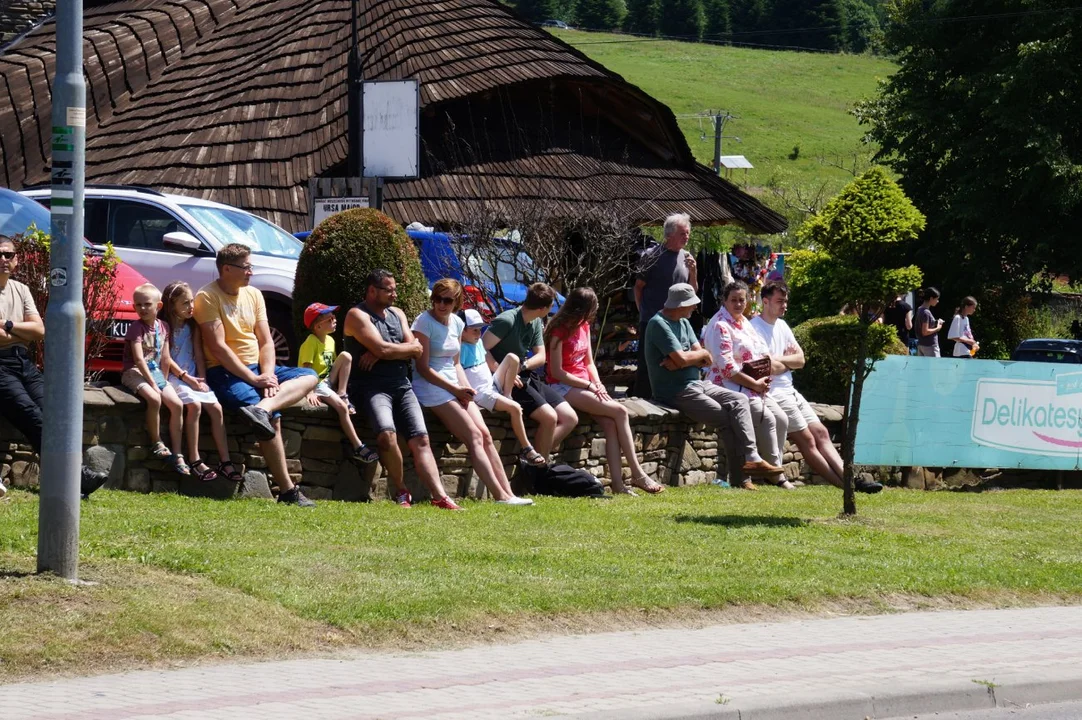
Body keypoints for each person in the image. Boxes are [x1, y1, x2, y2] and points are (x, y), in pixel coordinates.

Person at [194, 243, 318, 507]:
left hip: (259, 369)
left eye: (250, 266)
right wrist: (254, 380)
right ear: (227, 269)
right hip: (225, 372)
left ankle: (263, 407)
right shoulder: (207, 297)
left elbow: (266, 341)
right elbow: (218, 347)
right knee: (273, 420)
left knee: (309, 376)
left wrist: (268, 374)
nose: (251, 271)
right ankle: (287, 491)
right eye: (246, 267)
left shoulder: (254, 295)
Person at [343, 269, 460, 510]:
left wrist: (381, 351)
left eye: (395, 289)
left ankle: (440, 496)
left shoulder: (397, 313)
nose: (395, 294)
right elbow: (389, 349)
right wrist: (384, 351)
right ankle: (401, 490)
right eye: (389, 290)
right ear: (373, 291)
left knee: (421, 439)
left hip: (402, 385)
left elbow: (416, 348)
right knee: (387, 435)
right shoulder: (356, 315)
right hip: (371, 387)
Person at [0, 235, 107, 499]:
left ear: (17, 260)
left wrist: (10, 326)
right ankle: (74, 478)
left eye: (8, 255)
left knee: (55, 413)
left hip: (23, 362)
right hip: (1, 366)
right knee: (32, 415)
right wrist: (21, 332)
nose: (3, 260)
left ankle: (66, 479)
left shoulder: (21, 289)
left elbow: (39, 330)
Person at [643, 283, 783, 482]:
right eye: (691, 304)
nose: (695, 308)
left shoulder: (683, 322)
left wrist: (686, 358)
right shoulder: (659, 324)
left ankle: (752, 456)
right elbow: (688, 358)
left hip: (698, 383)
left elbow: (705, 356)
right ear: (680, 305)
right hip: (676, 390)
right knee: (726, 418)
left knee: (739, 400)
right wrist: (689, 358)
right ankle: (741, 479)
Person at [752, 282, 883, 494]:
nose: (784, 305)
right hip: (773, 392)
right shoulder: (754, 328)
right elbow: (766, 367)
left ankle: (849, 479)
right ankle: (848, 486)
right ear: (765, 301)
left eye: (785, 300)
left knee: (821, 432)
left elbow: (801, 360)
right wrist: (785, 362)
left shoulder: (783, 326)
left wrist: (779, 361)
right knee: (807, 439)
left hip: (790, 390)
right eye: (779, 301)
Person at [410, 279, 532, 505]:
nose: (441, 304)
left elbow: (456, 365)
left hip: (454, 384)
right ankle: (500, 496)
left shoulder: (456, 322)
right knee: (473, 435)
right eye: (437, 298)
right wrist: (455, 390)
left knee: (485, 434)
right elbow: (422, 368)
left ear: (456, 302)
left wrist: (467, 391)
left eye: (447, 300)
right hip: (431, 387)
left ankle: (509, 493)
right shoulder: (423, 322)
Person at [545, 287, 665, 495]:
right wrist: (589, 386)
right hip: (562, 386)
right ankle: (637, 474)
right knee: (620, 412)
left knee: (610, 424)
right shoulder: (558, 331)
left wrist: (598, 384)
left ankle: (618, 485)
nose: (595, 311)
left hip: (584, 384)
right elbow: (557, 372)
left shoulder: (583, 326)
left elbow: (589, 361)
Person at [701, 281, 790, 490]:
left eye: (742, 299)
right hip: (728, 386)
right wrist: (755, 384)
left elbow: (758, 353)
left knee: (782, 419)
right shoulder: (720, 325)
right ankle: (777, 476)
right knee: (767, 419)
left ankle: (771, 468)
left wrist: (763, 377)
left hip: (753, 386)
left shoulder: (743, 322)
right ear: (724, 301)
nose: (739, 304)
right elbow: (727, 369)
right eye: (734, 300)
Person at [483, 282, 578, 460]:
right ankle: (539, 470)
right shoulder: (507, 320)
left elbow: (541, 356)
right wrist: (503, 372)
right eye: (550, 307)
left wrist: (523, 366)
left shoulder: (534, 321)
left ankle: (533, 459)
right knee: (549, 417)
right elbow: (481, 349)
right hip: (507, 380)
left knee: (570, 417)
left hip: (526, 374)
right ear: (543, 308)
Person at [161, 281, 235, 482]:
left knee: (216, 408)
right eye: (185, 303)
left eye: (191, 301)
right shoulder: (165, 327)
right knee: (193, 406)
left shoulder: (192, 327)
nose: (191, 306)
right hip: (176, 378)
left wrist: (202, 380)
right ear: (171, 305)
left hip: (193, 377)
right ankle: (194, 458)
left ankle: (225, 460)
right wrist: (188, 379)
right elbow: (166, 358)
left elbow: (199, 355)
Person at [458, 308, 547, 468]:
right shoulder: (460, 349)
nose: (479, 334)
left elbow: (490, 362)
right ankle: (527, 448)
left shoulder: (478, 343)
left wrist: (508, 378)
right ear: (462, 330)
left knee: (512, 358)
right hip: (481, 394)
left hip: (492, 385)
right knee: (516, 408)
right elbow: (458, 373)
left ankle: (507, 395)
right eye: (474, 330)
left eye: (480, 329)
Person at [298, 302, 378, 463]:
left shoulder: (330, 341)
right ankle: (358, 447)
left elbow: (334, 365)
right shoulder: (310, 342)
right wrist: (310, 391)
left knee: (346, 356)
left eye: (334, 317)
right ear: (318, 326)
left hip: (328, 381)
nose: (335, 320)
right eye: (330, 319)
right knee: (341, 408)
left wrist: (336, 387)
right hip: (316, 383)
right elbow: (304, 370)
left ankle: (343, 393)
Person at [122, 283, 188, 475]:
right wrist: (154, 384)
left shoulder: (163, 327)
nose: (142, 309)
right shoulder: (136, 328)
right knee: (154, 398)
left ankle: (177, 453)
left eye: (147, 304)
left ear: (158, 306)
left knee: (177, 404)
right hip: (134, 372)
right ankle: (156, 441)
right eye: (138, 305)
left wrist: (164, 381)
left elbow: (165, 358)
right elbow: (138, 359)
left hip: (154, 372)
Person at [632, 212, 698, 399]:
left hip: (677, 322)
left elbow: (692, 293)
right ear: (669, 235)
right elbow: (638, 287)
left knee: (675, 362)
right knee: (647, 365)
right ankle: (641, 403)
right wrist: (643, 312)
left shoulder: (687, 258)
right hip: (652, 321)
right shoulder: (652, 256)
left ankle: (670, 400)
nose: (687, 237)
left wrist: (693, 272)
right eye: (682, 233)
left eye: (687, 233)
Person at [916, 287, 944, 358]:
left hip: (921, 344)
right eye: (937, 299)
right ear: (931, 298)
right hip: (930, 346)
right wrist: (938, 328)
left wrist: (935, 322)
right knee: (935, 368)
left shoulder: (920, 309)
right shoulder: (926, 312)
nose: (937, 301)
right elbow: (925, 332)